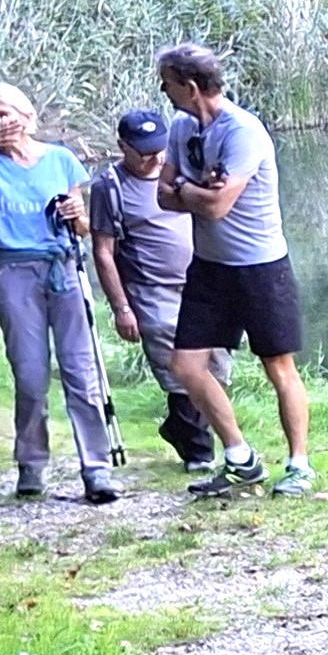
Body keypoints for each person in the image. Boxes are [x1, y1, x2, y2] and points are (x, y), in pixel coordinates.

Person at [151, 44, 313, 498]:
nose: (163, 90)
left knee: (278, 367)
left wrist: (186, 187)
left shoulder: (244, 132)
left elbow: (218, 206)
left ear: (190, 86)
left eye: (167, 82)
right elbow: (162, 196)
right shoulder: (181, 128)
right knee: (185, 365)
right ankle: (240, 458)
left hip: (261, 267)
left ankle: (299, 465)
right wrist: (192, 187)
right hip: (210, 268)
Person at [0, 88, 118, 505]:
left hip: (63, 266)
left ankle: (96, 468)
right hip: (14, 270)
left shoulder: (61, 159)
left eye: (3, 114)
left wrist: (75, 215)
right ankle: (31, 464)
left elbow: (83, 227)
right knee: (29, 375)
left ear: (26, 115)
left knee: (81, 371)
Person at [89, 107, 211, 472]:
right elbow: (103, 252)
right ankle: (198, 454)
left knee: (215, 367)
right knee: (181, 369)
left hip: (201, 281)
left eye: (159, 150)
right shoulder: (109, 187)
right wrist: (121, 308)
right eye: (143, 152)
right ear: (122, 146)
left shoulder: (181, 170)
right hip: (151, 290)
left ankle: (179, 429)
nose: (153, 159)